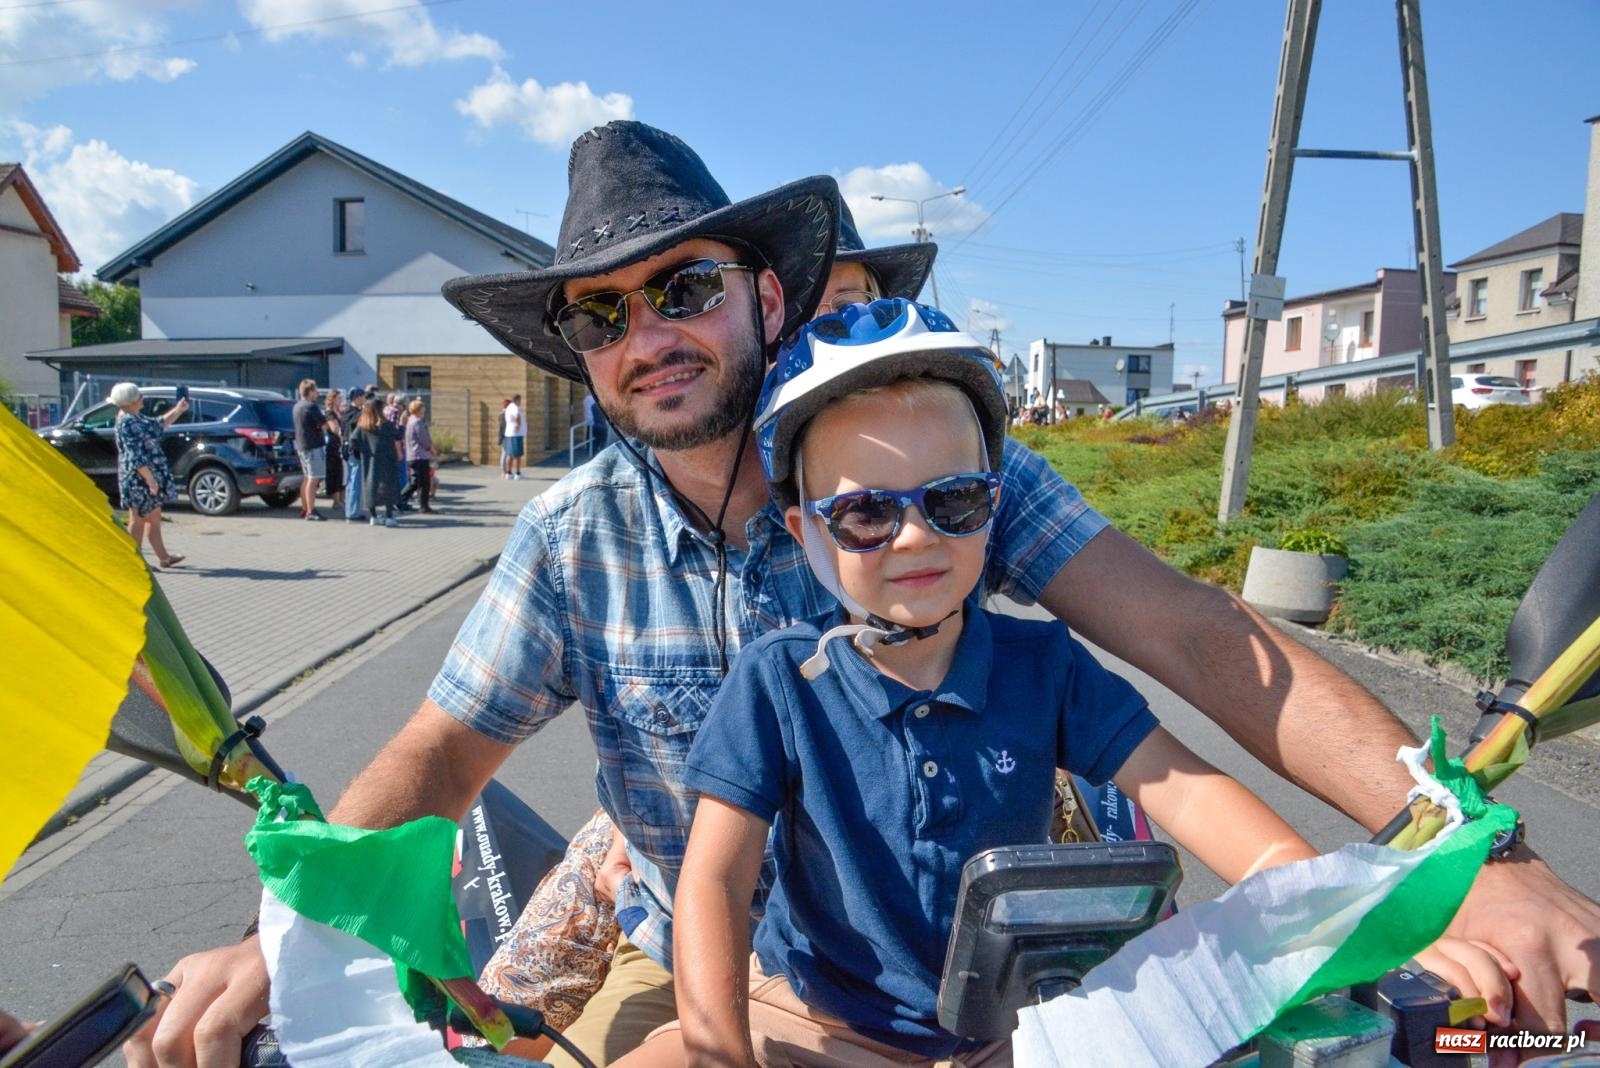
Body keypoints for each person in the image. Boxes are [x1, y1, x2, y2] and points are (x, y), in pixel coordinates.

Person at [128, 120, 1597, 1068]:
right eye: (601, 311)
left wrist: (1479, 856)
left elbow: (1203, 641)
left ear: (770, 296)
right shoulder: (573, 533)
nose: (648, 333)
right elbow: (444, 752)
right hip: (717, 959)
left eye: (684, 286)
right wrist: (288, 939)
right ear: (575, 353)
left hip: (987, 967)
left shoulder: (918, 457)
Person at [621, 302, 1322, 1066]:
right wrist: (718, 1051)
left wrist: (1319, 902)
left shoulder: (1044, 667)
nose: (916, 535)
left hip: (1012, 1031)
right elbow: (718, 880)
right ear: (807, 534)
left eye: (954, 499)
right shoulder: (780, 686)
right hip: (818, 1021)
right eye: (864, 513)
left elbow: (1184, 789)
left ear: (994, 503)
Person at [110, 382, 186, 569]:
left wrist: (178, 410)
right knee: (138, 520)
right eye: (139, 397)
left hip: (147, 475)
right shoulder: (126, 421)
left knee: (153, 517)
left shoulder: (136, 417)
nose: (142, 399)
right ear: (130, 402)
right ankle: (135, 562)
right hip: (138, 478)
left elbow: (157, 425)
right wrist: (150, 479)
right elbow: (134, 454)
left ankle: (164, 557)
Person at [351, 396, 402, 528]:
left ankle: (373, 516)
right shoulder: (387, 425)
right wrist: (399, 454)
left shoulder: (362, 427)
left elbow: (353, 441)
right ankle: (389, 516)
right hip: (388, 459)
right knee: (389, 485)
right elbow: (397, 437)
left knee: (370, 485)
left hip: (369, 460)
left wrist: (362, 451)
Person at [291, 379, 327, 521]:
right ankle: (311, 511)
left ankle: (305, 507)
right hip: (313, 446)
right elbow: (323, 425)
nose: (317, 393)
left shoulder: (297, 406)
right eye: (315, 390)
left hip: (302, 445)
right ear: (310, 391)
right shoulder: (311, 407)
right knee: (313, 478)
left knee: (306, 478)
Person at [399, 399, 436, 514]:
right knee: (424, 483)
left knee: (415, 481)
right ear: (418, 410)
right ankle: (423, 506)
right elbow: (424, 440)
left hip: (412, 455)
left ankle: (400, 499)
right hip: (420, 456)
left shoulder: (410, 421)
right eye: (422, 407)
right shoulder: (418, 422)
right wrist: (431, 448)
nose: (424, 409)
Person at [340, 386, 367, 522]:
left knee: (352, 481)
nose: (364, 399)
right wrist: (363, 412)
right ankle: (352, 513)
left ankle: (351, 510)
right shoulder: (352, 412)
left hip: (348, 450)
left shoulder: (346, 412)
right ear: (356, 397)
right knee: (354, 481)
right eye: (362, 396)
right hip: (354, 451)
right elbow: (353, 424)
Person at [321, 388, 346, 514]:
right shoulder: (329, 413)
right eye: (338, 398)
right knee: (335, 472)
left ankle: (342, 499)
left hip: (340, 444)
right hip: (333, 445)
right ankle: (336, 501)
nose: (340, 400)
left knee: (342, 473)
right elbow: (334, 428)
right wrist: (343, 434)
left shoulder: (339, 412)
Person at [503, 393, 525, 479]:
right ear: (517, 400)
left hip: (509, 433)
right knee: (517, 455)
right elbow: (517, 416)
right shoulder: (515, 407)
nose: (521, 402)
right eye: (520, 400)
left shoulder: (509, 407)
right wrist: (518, 425)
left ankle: (509, 473)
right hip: (516, 434)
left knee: (510, 454)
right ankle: (518, 473)